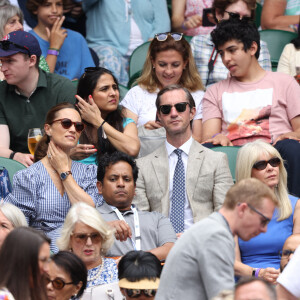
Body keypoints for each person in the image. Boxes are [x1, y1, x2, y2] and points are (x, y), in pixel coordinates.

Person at [202, 18, 300, 197]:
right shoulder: (214, 91)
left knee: (293, 148)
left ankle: (295, 211)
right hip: (236, 155)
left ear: (252, 48)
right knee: (208, 149)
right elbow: (208, 137)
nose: (226, 59)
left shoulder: (284, 82)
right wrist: (218, 137)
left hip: (276, 151)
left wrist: (294, 134)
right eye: (222, 53)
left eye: (232, 50)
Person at [155, 178, 278, 300]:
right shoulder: (216, 235)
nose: (264, 230)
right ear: (243, 209)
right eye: (263, 221)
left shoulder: (213, 229)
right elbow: (223, 297)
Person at [134, 85, 233, 235]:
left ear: (192, 112)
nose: (173, 113)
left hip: (203, 243)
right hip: (160, 246)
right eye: (166, 109)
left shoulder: (216, 160)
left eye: (180, 107)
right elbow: (140, 219)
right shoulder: (142, 166)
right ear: (159, 116)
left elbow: (225, 214)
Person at [4, 103, 102, 252]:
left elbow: (89, 214)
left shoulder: (89, 171)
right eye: (66, 123)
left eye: (78, 126)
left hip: (86, 250)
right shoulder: (28, 177)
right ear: (48, 129)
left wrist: (63, 170)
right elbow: (18, 227)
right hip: (45, 255)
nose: (72, 129)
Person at [0, 30, 76, 167]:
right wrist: (16, 156)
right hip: (17, 167)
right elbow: (1, 147)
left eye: (10, 61)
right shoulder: (1, 91)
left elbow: (72, 141)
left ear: (32, 60)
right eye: (1, 61)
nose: (3, 68)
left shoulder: (63, 88)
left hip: (60, 163)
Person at [234, 141, 300, 283]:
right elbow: (231, 263)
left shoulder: (296, 206)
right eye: (261, 165)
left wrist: (283, 278)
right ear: (248, 172)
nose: (270, 168)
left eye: (274, 162)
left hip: (287, 280)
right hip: (248, 281)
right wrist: (258, 273)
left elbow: (297, 256)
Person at [121, 32, 204, 142]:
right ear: (153, 62)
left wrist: (169, 133)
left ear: (185, 63)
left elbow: (198, 140)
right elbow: (125, 140)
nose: (168, 71)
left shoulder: (197, 95)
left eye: (175, 65)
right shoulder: (136, 94)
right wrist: (143, 131)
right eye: (162, 64)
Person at [97, 151, 176, 260]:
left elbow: (171, 249)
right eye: (113, 179)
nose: (121, 184)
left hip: (152, 275)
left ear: (134, 188)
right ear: (100, 187)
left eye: (127, 179)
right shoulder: (89, 219)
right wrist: (101, 228)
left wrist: (129, 261)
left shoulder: (157, 219)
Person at [82, 0, 170, 86]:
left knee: (157, 60)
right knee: (109, 55)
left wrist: (142, 53)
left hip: (145, 48)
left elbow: (163, 24)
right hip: (106, 47)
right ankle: (118, 97)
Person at [190, 0, 271, 87]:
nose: (239, 22)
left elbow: (265, 86)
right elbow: (186, 85)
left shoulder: (258, 45)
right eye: (234, 16)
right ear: (218, 14)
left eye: (245, 18)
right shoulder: (198, 43)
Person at [73, 67, 140, 164]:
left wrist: (98, 122)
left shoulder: (126, 123)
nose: (113, 93)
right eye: (104, 89)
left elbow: (132, 150)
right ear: (86, 98)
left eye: (115, 87)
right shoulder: (70, 123)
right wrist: (69, 154)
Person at [26, 0, 95, 80]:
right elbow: (39, 82)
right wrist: (54, 47)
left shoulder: (77, 38)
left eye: (59, 4)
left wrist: (78, 85)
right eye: (47, 5)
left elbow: (91, 78)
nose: (55, 10)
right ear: (35, 9)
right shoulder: (27, 41)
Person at [57, 202, 118, 288]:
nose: (89, 243)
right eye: (81, 236)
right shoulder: (58, 275)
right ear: (69, 240)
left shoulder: (118, 270)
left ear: (103, 237)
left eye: (95, 236)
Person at [0, 2, 50, 81]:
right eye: (12, 22)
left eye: (20, 22)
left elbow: (46, 84)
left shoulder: (33, 56)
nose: (20, 27)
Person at [0, 227, 50, 300]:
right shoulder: (3, 297)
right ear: (21, 259)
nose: (47, 269)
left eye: (48, 261)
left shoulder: (34, 294)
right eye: (42, 260)